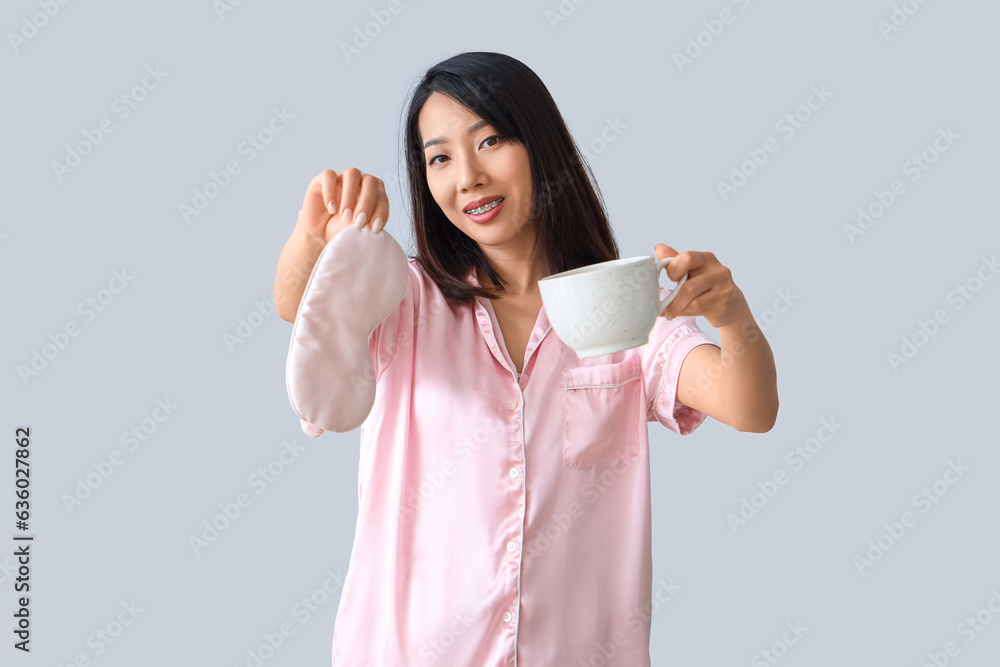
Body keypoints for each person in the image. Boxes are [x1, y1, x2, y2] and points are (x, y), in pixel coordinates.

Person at [273, 51, 778, 667]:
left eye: (491, 141)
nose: (468, 177)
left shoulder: (623, 310)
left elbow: (750, 407)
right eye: (440, 158)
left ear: (541, 146)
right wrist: (315, 231)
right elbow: (299, 307)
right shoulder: (405, 300)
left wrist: (733, 316)